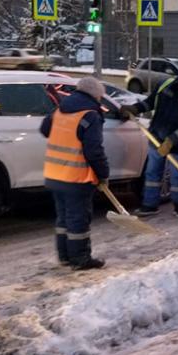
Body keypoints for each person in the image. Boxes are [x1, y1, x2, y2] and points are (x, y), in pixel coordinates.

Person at [40, 77, 109, 270]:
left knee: (63, 218)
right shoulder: (90, 115)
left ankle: (65, 256)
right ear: (95, 95)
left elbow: (45, 129)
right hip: (76, 177)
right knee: (78, 219)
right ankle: (80, 259)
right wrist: (103, 174)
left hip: (54, 174)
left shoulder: (61, 109)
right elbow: (94, 151)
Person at [121, 69, 178, 217]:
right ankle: (150, 205)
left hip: (177, 145)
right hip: (156, 138)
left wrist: (172, 140)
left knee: (177, 177)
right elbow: (150, 103)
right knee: (152, 173)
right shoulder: (164, 86)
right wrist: (135, 109)